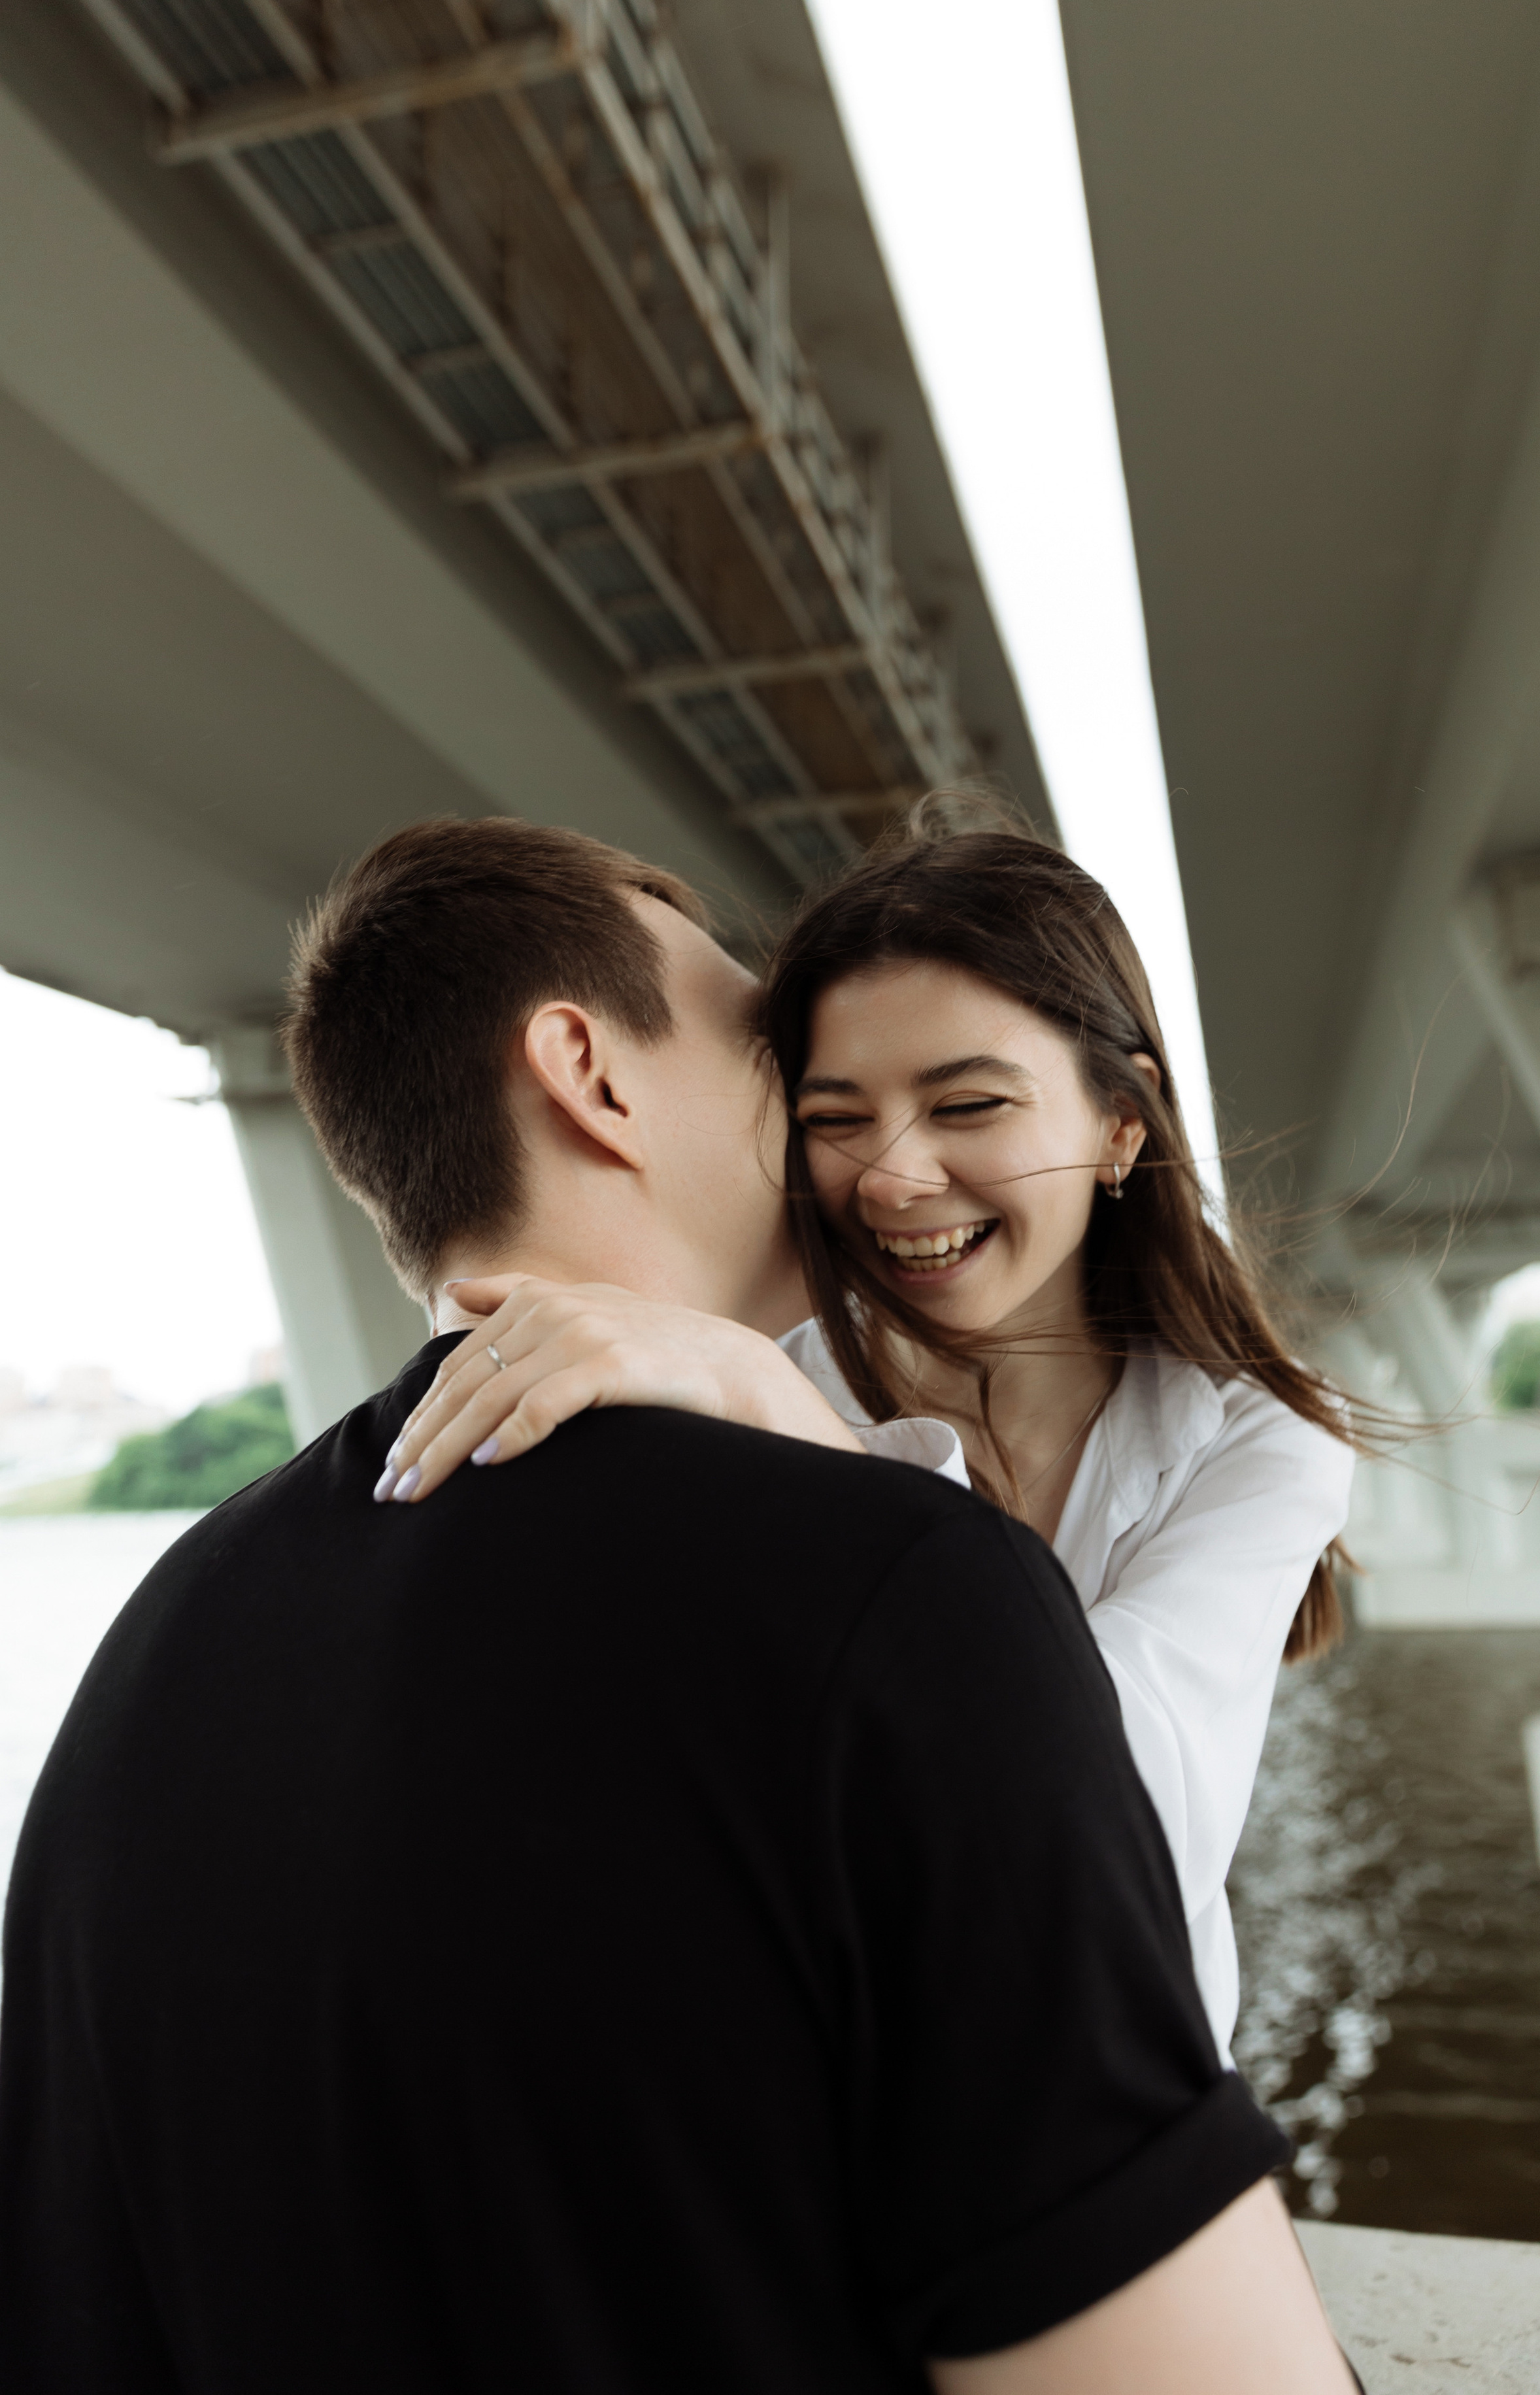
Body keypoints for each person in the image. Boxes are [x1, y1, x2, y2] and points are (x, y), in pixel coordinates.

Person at [0, 817, 1356, 2393]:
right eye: (769, 1054)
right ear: (587, 1073)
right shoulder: (900, 1591)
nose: (848, 1157)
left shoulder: (152, 1650)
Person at [388, 814, 1359, 2058]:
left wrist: (791, 1419)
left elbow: (1122, 1833)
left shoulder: (1258, 1442)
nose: (893, 1178)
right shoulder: (716, 1391)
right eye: (836, 1116)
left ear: (1121, 1122)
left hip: (1122, 2117)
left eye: (969, 1104)